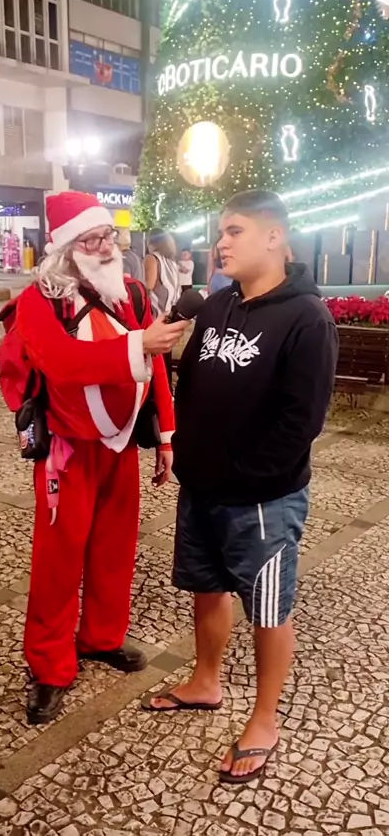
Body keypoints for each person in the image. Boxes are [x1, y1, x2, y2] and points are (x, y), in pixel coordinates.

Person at [143, 190, 338, 785]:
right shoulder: (218, 304)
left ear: (274, 237)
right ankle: (206, 681)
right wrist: (186, 452)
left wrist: (249, 477)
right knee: (206, 588)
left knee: (268, 609)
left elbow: (302, 421)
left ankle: (265, 719)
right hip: (202, 486)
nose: (220, 243)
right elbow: (192, 385)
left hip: (263, 500)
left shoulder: (307, 317)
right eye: (221, 232)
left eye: (234, 231)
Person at [11, 191, 187, 725]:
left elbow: (156, 365)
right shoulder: (37, 302)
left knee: (116, 547)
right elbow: (62, 363)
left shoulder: (130, 292)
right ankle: (49, 666)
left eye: (108, 236)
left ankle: (102, 637)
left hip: (120, 445)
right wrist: (140, 346)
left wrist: (166, 436)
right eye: (91, 240)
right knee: (58, 560)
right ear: (64, 249)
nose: (106, 247)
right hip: (67, 452)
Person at [144, 229, 181, 385]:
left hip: (155, 315)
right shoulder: (172, 262)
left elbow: (149, 285)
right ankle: (166, 390)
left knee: (156, 361)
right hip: (170, 314)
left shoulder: (152, 258)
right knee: (165, 357)